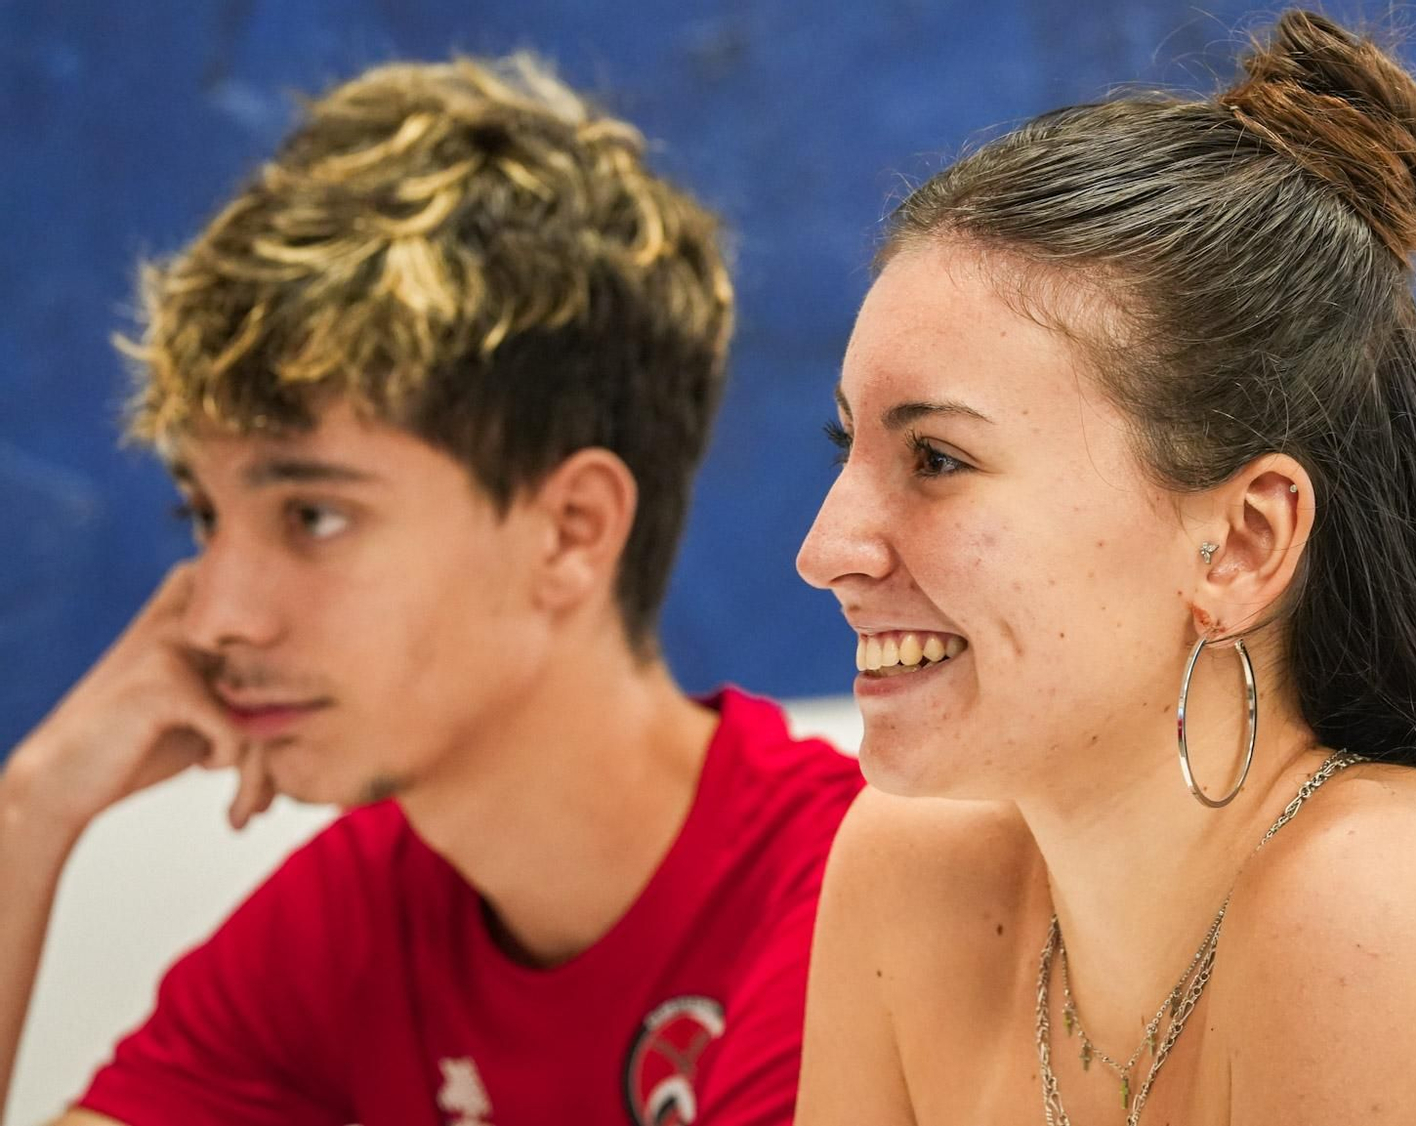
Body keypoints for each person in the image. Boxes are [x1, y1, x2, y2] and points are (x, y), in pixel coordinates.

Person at [794, 10, 1416, 1126]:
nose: (825, 549)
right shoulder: (905, 875)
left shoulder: (1381, 901)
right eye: (850, 447)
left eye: (936, 457)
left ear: (1243, 543)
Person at [0, 55, 861, 1126]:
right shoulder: (349, 918)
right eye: (203, 517)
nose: (216, 615)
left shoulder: (853, 907)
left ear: (569, 530)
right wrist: (33, 808)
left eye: (313, 516)